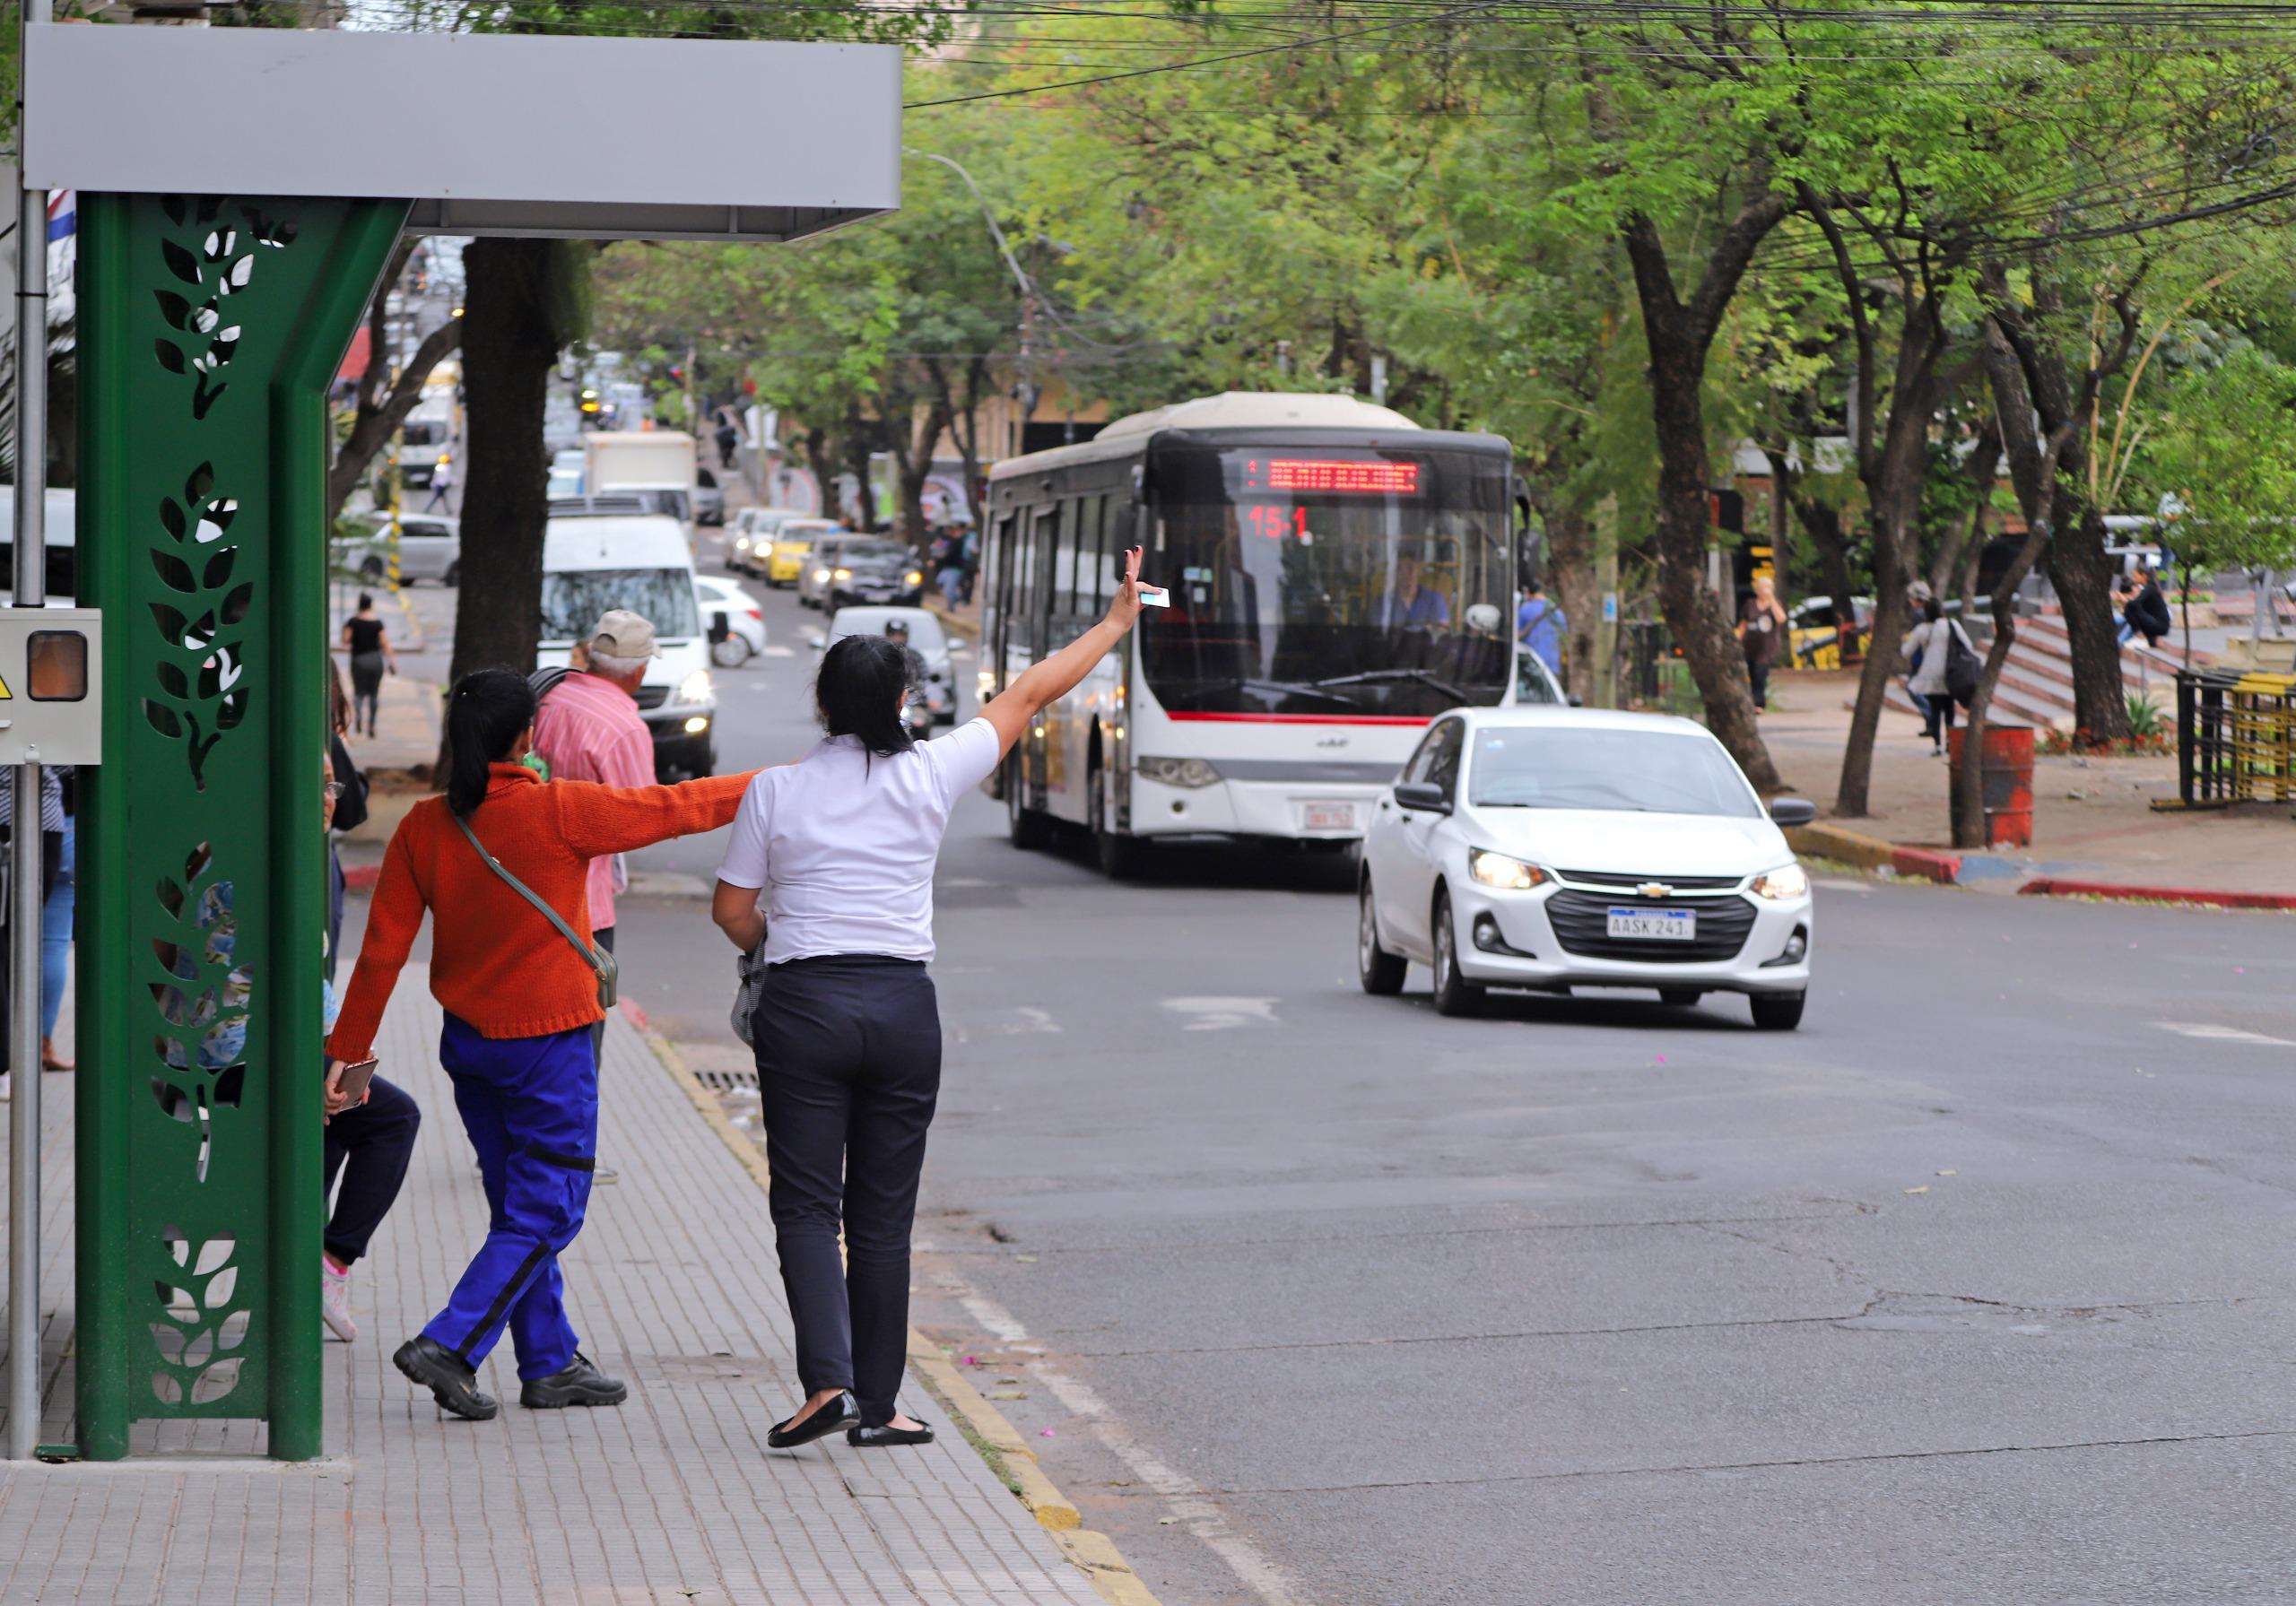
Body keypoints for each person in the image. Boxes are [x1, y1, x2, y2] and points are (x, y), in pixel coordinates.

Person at [710, 545, 1149, 1451]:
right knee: (882, 1216)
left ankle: (824, 1383)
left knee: (804, 1204)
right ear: (904, 703)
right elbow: (1029, 692)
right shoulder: (929, 773)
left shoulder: (775, 792)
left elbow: (732, 913)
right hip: (904, 1009)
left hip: (805, 1005)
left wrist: (778, 947)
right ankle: (882, 1406)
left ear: (822, 704)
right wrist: (1113, 623)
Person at [328, 668, 752, 1421]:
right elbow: (679, 806)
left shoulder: (423, 827)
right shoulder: (561, 810)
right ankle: (450, 1343)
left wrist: (348, 1055)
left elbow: (383, 955)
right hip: (550, 1046)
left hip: (469, 1048)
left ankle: (550, 1361)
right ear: (527, 736)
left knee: (516, 1205)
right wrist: (787, 782)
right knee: (550, 1209)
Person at [317, 747, 421, 1344]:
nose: (332, 798)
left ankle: (320, 1260)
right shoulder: (269, 867)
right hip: (235, 1060)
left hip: (246, 1052)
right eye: (322, 786)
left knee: (352, 1113)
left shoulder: (296, 857)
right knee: (392, 1116)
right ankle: (328, 1263)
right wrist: (331, 1062)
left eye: (335, 784)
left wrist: (339, 1056)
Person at [531, 611, 660, 958]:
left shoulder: (547, 698)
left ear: (589, 654)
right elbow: (640, 820)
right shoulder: (624, 728)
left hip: (523, 885)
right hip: (583, 903)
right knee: (584, 1008)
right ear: (639, 671)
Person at [0, 766, 66, 1103]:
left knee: (13, 943)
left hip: (23, 819)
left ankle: (11, 1058)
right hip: (49, 819)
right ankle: (36, 1046)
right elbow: (70, 758)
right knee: (42, 942)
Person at [1904, 596, 1975, 755]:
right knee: (1950, 709)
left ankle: (1937, 746)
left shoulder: (1921, 629)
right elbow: (1968, 645)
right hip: (1950, 672)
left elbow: (1906, 651)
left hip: (1930, 675)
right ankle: (1950, 743)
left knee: (1935, 710)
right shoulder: (1951, 625)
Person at [340, 595, 397, 739]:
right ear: (371, 605)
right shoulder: (378, 623)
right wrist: (392, 661)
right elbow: (386, 644)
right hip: (375, 660)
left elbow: (345, 640)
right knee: (374, 694)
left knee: (359, 692)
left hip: (359, 659)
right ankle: (371, 725)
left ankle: (358, 719)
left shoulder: (353, 621)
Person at [1736, 574, 1787, 710]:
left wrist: (1771, 599)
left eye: (1766, 588)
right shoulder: (1750, 604)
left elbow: (1781, 618)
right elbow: (1743, 624)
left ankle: (1759, 704)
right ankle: (1752, 701)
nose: (1763, 591)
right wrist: (1737, 640)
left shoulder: (1775, 604)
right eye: (1761, 588)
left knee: (1760, 672)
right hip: (1750, 645)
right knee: (1752, 673)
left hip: (1767, 647)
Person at [1371, 553, 1449, 631]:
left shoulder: (1434, 599)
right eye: (1399, 569)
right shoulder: (1382, 602)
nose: (1405, 574)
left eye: (1410, 568)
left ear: (1419, 571)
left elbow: (1441, 631)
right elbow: (1379, 633)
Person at [1515, 579, 1565, 677]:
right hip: (1553, 664)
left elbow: (1516, 634)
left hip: (1532, 662)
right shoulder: (1556, 611)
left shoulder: (1525, 610)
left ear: (1528, 592)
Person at [2120, 564, 2171, 647]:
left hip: (2161, 626)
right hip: (2155, 623)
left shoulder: (2150, 588)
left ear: (2143, 576)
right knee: (2129, 608)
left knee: (2130, 607)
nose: (2133, 578)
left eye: (2135, 576)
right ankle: (2148, 639)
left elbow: (2136, 603)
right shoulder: (2147, 588)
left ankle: (2140, 636)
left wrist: (2124, 600)